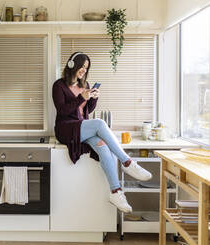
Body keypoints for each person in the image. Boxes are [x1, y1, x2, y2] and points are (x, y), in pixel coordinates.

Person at [52, 51, 152, 213]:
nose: (84, 70)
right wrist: (81, 98)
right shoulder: (59, 85)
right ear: (72, 65)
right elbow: (62, 111)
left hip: (82, 127)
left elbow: (87, 111)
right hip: (66, 129)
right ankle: (127, 162)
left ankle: (116, 192)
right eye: (82, 66)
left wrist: (93, 98)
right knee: (99, 123)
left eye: (86, 68)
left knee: (103, 146)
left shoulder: (84, 85)